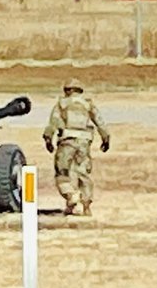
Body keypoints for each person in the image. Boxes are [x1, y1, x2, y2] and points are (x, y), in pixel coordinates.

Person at [42, 78, 110, 216]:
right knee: (82, 173)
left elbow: (53, 122)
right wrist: (106, 138)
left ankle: (71, 196)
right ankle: (85, 205)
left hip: (67, 141)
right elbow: (100, 122)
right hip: (84, 142)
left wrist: (48, 139)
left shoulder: (62, 104)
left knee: (63, 172)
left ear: (68, 90)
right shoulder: (88, 104)